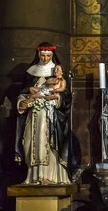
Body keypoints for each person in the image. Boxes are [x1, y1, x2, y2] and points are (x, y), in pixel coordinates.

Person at [15, 43, 72, 185]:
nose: (45, 59)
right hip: (33, 115)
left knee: (48, 143)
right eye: (43, 56)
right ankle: (34, 177)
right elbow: (24, 92)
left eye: (48, 56)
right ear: (38, 55)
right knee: (31, 143)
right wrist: (23, 102)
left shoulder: (57, 74)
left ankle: (52, 177)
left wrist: (57, 98)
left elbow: (66, 96)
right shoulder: (31, 72)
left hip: (51, 116)